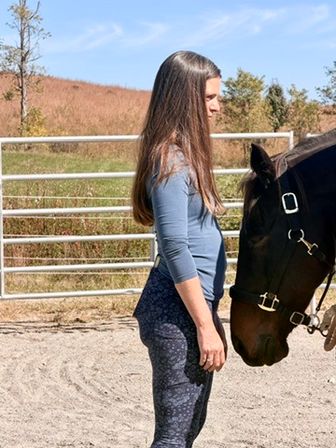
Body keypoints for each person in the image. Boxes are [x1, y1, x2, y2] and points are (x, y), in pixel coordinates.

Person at [132, 50, 227, 448]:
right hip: (177, 311)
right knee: (174, 435)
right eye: (209, 99)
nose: (217, 107)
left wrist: (208, 317)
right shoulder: (169, 160)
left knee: (187, 427)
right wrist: (204, 325)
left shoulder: (186, 158)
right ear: (184, 99)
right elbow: (173, 246)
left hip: (189, 308)